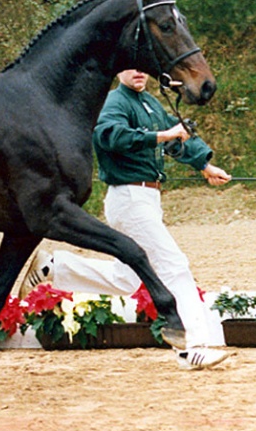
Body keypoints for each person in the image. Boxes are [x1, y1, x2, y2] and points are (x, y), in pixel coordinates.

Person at [19, 69, 232, 370]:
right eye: (131, 67)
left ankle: (54, 266)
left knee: (127, 278)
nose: (139, 72)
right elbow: (108, 137)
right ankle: (193, 347)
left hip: (146, 200)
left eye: (142, 67)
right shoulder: (114, 103)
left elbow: (176, 137)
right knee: (174, 266)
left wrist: (205, 165)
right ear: (119, 70)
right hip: (130, 199)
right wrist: (162, 135)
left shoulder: (149, 103)